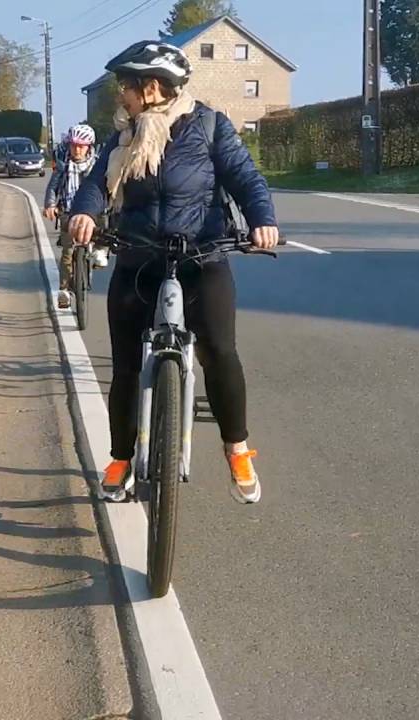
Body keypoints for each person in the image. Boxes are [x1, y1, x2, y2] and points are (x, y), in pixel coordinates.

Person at [68, 40, 280, 504]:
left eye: (125, 85)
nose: (119, 94)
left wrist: (262, 219)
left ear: (152, 87)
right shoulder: (122, 137)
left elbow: (245, 178)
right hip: (139, 256)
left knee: (220, 351)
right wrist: (84, 213)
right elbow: (95, 185)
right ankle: (122, 457)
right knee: (124, 365)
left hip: (201, 256)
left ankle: (237, 448)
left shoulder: (209, 126)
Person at [43, 123, 106, 310]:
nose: (77, 149)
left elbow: (105, 188)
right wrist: (50, 205)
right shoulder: (63, 167)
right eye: (73, 145)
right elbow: (52, 188)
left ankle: (100, 250)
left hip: (92, 213)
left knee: (104, 222)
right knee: (68, 253)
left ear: (89, 147)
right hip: (68, 212)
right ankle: (64, 290)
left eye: (81, 146)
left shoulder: (97, 167)